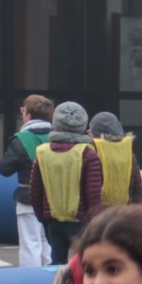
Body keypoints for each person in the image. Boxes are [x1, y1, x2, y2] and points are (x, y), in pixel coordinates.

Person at [29, 101, 103, 265]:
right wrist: (95, 223)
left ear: (56, 123)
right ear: (82, 124)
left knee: (56, 263)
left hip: (53, 221)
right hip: (81, 222)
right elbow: (93, 194)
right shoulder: (87, 153)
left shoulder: (42, 152)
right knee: (85, 264)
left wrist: (43, 217)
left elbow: (35, 191)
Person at [0, 95, 55, 267]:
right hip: (55, 198)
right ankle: (51, 280)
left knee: (30, 243)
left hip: (28, 197)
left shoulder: (21, 140)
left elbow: (4, 169)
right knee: (48, 242)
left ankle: (31, 282)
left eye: (23, 111)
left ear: (28, 115)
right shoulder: (58, 137)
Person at [90, 110, 142, 207]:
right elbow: (138, 190)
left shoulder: (92, 151)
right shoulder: (128, 151)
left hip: (100, 214)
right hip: (125, 212)